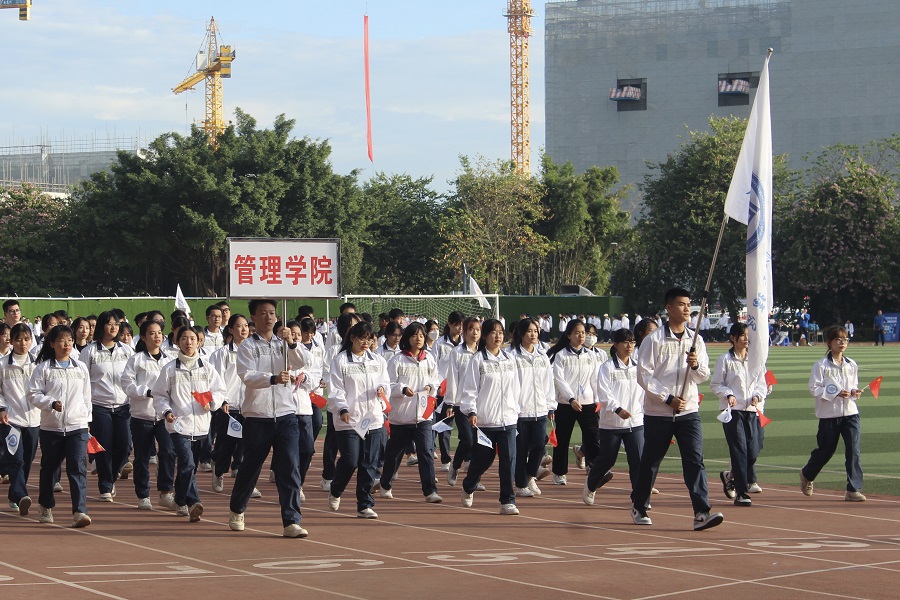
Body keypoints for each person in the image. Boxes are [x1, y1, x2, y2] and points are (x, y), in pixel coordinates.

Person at [633, 287, 723, 530]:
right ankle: (639, 505)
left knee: (694, 461)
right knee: (651, 461)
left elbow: (703, 375)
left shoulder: (696, 340)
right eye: (681, 304)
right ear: (669, 308)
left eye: (689, 304)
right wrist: (667, 398)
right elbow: (644, 376)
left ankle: (702, 512)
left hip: (688, 412)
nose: (687, 308)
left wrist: (695, 366)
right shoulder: (653, 340)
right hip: (659, 413)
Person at [229, 299, 312, 537]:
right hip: (258, 416)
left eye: (272, 313)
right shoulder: (247, 346)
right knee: (251, 466)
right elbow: (247, 376)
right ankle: (237, 508)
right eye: (263, 313)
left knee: (290, 468)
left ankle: (291, 520)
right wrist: (273, 378)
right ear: (253, 317)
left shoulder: (284, 342)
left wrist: (292, 343)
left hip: (286, 414)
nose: (268, 317)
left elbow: (303, 361)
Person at [152, 326, 226, 523]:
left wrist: (213, 403)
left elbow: (219, 390)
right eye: (184, 338)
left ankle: (180, 499)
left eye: (192, 338)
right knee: (188, 463)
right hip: (178, 425)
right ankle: (194, 502)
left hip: (202, 425)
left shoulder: (207, 368)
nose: (188, 342)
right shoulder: (169, 369)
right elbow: (159, 395)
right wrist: (166, 412)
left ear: (199, 342)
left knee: (188, 468)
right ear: (177, 342)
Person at [27, 325, 92, 527]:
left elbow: (86, 396)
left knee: (77, 468)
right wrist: (50, 403)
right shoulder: (43, 368)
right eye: (62, 341)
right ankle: (45, 506)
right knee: (50, 469)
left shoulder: (80, 367)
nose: (67, 344)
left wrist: (87, 421)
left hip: (77, 426)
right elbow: (33, 394)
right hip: (51, 428)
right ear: (52, 344)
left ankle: (79, 511)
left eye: (70, 340)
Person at [326, 320, 390, 519]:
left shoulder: (377, 361)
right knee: (350, 460)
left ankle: (364, 503)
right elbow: (335, 388)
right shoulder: (341, 361)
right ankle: (336, 488)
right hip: (350, 419)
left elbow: (386, 382)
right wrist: (342, 408)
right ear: (353, 338)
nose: (365, 342)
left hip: (373, 418)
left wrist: (382, 390)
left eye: (369, 339)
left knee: (369, 463)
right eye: (362, 338)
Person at [459, 318, 521, 514]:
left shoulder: (510, 359)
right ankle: (469, 484)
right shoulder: (477, 360)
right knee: (483, 460)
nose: (498, 336)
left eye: (501, 332)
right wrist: (472, 411)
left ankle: (507, 501)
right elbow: (470, 389)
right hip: (485, 420)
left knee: (508, 460)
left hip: (508, 420)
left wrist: (515, 411)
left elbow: (515, 388)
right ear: (485, 336)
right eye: (493, 332)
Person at [377, 322, 443, 503]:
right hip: (402, 417)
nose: (419, 339)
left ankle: (430, 491)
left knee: (426, 452)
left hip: (423, 417)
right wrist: (402, 389)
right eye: (415, 335)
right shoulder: (397, 360)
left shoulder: (429, 358)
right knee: (394, 454)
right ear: (408, 338)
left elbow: (436, 381)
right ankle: (385, 483)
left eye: (421, 335)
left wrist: (431, 387)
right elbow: (388, 385)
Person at [799, 325, 866, 502]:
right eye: (839, 339)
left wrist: (854, 392)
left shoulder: (851, 365)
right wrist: (834, 393)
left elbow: (853, 385)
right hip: (829, 415)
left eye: (845, 340)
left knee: (854, 450)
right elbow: (814, 389)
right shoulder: (821, 366)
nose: (843, 343)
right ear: (829, 342)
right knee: (826, 451)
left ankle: (853, 489)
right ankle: (807, 474)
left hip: (851, 412)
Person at [584, 328, 644, 507]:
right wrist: (618, 409)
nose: (629, 346)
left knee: (638, 461)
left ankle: (639, 498)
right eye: (625, 342)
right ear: (616, 344)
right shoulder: (607, 367)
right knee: (607, 459)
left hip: (636, 422)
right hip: (612, 423)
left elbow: (645, 390)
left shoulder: (638, 366)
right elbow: (604, 393)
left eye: (632, 342)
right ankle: (591, 485)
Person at [120, 320, 176, 511]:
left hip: (163, 415)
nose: (157, 337)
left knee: (168, 451)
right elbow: (126, 384)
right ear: (143, 337)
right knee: (142, 456)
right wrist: (147, 391)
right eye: (152, 333)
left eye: (160, 333)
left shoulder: (170, 360)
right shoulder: (136, 360)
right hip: (141, 415)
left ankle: (165, 491)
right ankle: (143, 494)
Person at [710, 323, 767, 506]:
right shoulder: (725, 360)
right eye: (741, 335)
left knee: (754, 450)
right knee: (739, 449)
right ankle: (742, 491)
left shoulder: (756, 361)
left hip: (752, 411)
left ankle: (730, 475)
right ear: (732, 338)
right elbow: (716, 384)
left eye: (747, 335)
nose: (745, 339)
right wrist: (729, 394)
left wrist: (758, 395)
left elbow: (762, 384)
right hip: (733, 411)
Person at [80, 310, 134, 501]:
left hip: (123, 405)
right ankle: (105, 485)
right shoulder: (89, 351)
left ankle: (111, 475)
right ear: (102, 325)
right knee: (102, 447)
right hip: (99, 405)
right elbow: (82, 381)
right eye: (109, 323)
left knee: (124, 445)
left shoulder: (127, 351)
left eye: (117, 324)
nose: (114, 327)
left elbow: (133, 377)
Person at [546, 319, 602, 486]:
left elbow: (594, 379)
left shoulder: (591, 355)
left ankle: (595, 469)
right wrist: (570, 399)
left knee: (593, 438)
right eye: (577, 333)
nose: (581, 336)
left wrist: (597, 399)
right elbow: (560, 379)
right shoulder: (561, 355)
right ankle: (559, 472)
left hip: (588, 403)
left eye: (583, 333)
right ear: (569, 335)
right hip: (566, 403)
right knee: (562, 439)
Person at [509, 318, 554, 498]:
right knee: (520, 450)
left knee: (539, 445)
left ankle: (529, 476)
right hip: (520, 412)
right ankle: (521, 484)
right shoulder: (512, 356)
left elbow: (548, 383)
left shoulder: (542, 356)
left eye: (535, 331)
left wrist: (550, 405)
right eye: (529, 331)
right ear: (521, 333)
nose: (533, 334)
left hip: (540, 409)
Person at [0, 324, 39, 515]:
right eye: (18, 339)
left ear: (31, 340)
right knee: (16, 459)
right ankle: (22, 495)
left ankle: (14, 493)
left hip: (34, 419)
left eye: (26, 339)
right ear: (11, 341)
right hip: (11, 420)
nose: (23, 343)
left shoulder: (38, 363)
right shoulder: (2, 364)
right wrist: (1, 408)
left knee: (28, 459)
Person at [446, 317, 482, 487]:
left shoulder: (483, 354)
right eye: (471, 329)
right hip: (462, 404)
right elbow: (452, 378)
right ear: (465, 332)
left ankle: (475, 479)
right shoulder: (457, 353)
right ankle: (455, 465)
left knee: (479, 443)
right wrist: (450, 403)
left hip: (481, 405)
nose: (475, 333)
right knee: (467, 440)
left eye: (478, 329)